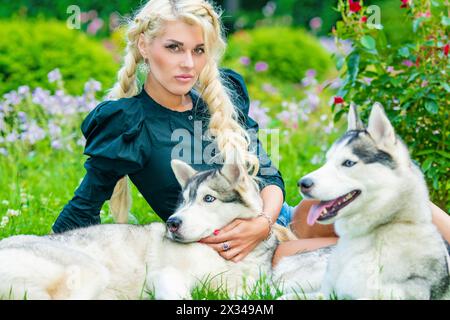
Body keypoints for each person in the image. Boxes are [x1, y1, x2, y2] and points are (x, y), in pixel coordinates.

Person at [52, 0, 285, 263]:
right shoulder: (129, 123)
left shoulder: (220, 100)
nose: (188, 63)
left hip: (274, 223)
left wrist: (263, 225)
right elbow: (82, 212)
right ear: (144, 45)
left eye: (199, 50)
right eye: (174, 47)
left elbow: (269, 177)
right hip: (234, 255)